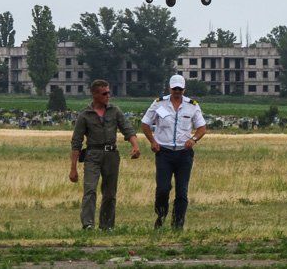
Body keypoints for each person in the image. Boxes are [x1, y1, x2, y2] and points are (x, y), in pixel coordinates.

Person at [70, 79, 140, 230]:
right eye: (104, 93)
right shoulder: (85, 115)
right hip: (92, 154)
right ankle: (88, 224)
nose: (108, 96)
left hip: (111, 154)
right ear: (94, 94)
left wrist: (135, 145)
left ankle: (107, 225)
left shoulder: (115, 111)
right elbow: (76, 142)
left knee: (109, 193)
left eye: (109, 92)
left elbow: (127, 129)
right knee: (90, 189)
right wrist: (73, 168)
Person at [140, 74, 206, 229]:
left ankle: (178, 224)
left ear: (184, 89)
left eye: (180, 89)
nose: (177, 91)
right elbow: (145, 123)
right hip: (164, 153)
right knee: (163, 189)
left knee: (182, 191)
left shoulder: (192, 105)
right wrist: (152, 141)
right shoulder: (159, 103)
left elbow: (202, 128)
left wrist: (194, 139)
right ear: (169, 88)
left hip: (184, 153)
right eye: (175, 88)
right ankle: (161, 215)